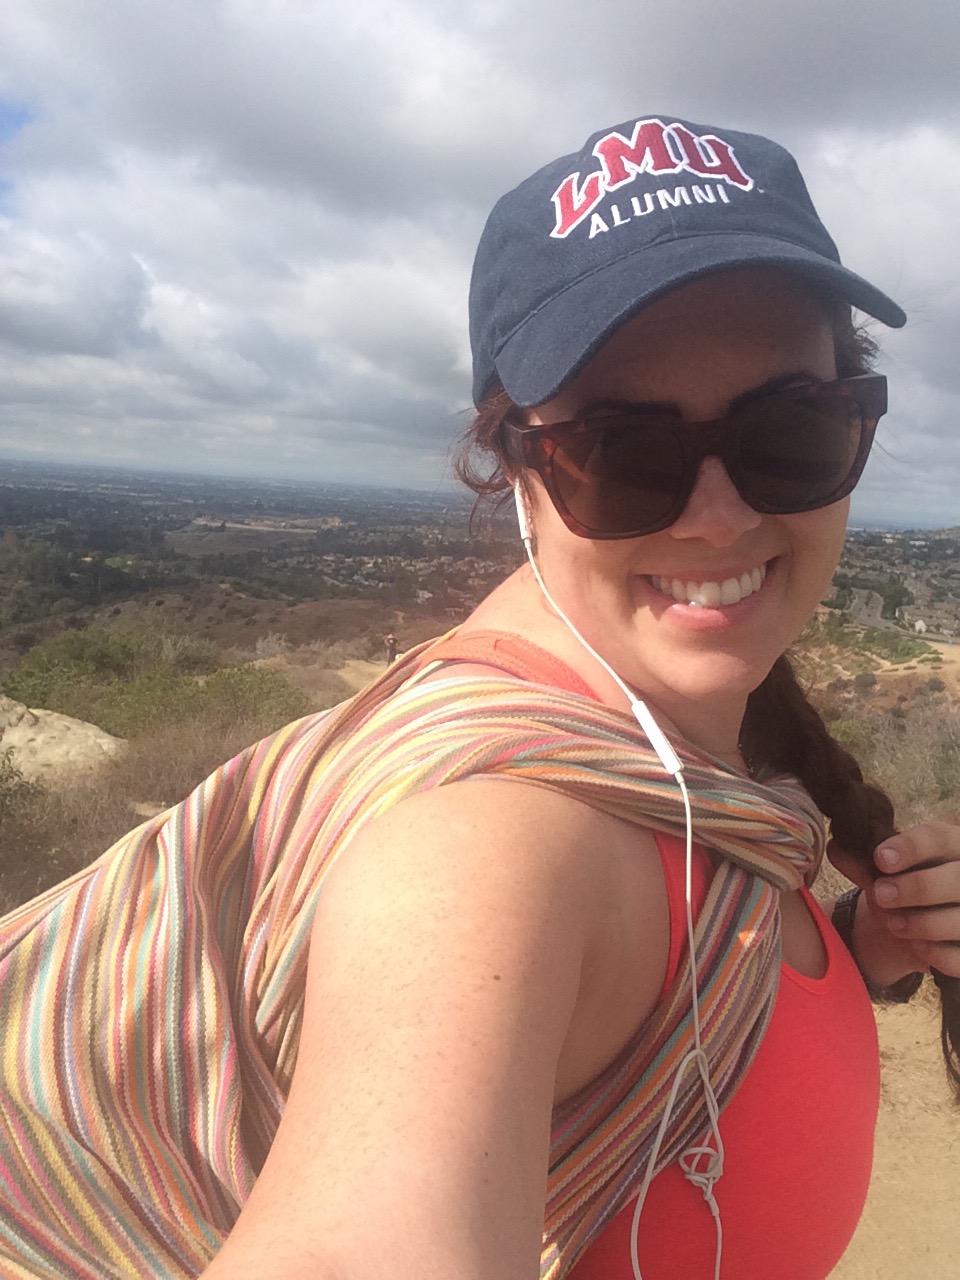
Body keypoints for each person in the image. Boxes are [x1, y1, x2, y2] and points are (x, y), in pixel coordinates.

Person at [1, 115, 959, 1280]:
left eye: (791, 429)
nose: (718, 516)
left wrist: (857, 948)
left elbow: (688, 1000)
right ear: (518, 471)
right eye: (624, 450)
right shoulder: (490, 849)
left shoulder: (687, 731)